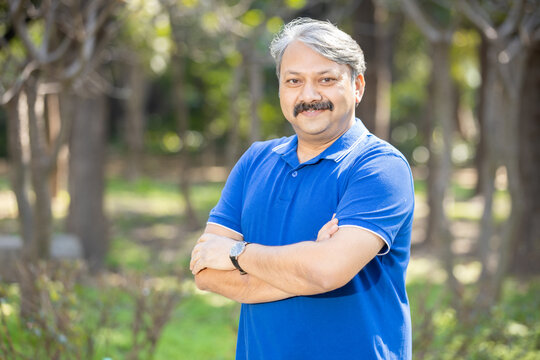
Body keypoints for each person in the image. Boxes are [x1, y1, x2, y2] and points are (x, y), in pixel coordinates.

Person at [190, 17, 414, 360]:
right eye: (294, 81)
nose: (309, 95)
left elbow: (326, 271)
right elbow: (205, 271)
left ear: (357, 86)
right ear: (280, 88)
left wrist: (236, 255)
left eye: (326, 79)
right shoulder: (255, 160)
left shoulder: (380, 166)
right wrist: (309, 264)